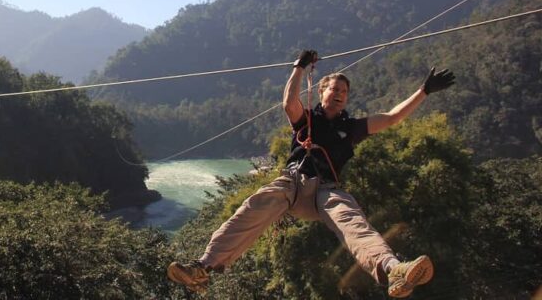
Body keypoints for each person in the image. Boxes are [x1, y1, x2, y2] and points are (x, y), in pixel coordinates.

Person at [167, 49, 455, 298]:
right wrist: (299, 67)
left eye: (344, 92)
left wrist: (424, 91)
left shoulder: (352, 128)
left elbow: (392, 118)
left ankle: (393, 270)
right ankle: (202, 268)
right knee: (258, 204)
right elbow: (288, 103)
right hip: (293, 181)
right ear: (321, 91)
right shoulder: (305, 118)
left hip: (326, 191)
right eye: (335, 89)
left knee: (351, 220)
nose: (340, 95)